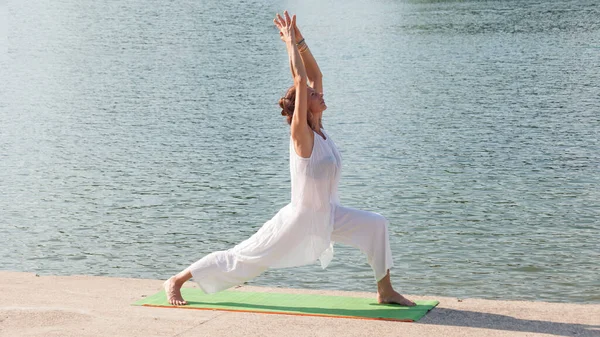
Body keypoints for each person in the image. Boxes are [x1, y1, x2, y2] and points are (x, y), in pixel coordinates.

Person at [163, 11, 416, 307]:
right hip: (299, 221)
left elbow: (314, 75)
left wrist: (301, 40)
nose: (319, 93)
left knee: (376, 224)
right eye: (312, 94)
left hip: (329, 215)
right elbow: (300, 76)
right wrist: (288, 44)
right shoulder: (302, 134)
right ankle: (177, 280)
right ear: (303, 107)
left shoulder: (319, 129)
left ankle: (385, 290)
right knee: (245, 259)